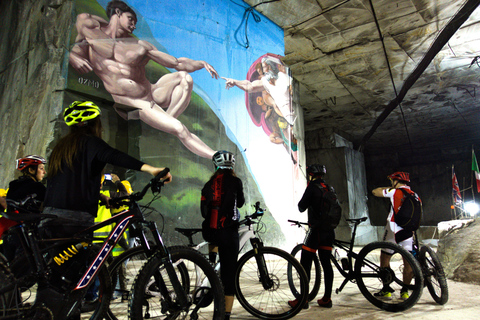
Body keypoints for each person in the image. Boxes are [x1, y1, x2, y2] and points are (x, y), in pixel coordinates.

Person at [39, 100, 172, 319]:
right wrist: (151, 169)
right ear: (94, 123)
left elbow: (69, 182)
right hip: (74, 222)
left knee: (58, 280)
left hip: (51, 219)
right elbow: (114, 155)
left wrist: (101, 196)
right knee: (74, 282)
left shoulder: (62, 147)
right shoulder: (90, 142)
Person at [69, 0, 219, 159]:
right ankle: (215, 155)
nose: (133, 26)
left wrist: (201, 64)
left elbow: (176, 62)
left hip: (151, 93)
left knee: (184, 78)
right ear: (118, 13)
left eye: (135, 23)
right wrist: (71, 56)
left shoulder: (140, 45)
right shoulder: (93, 36)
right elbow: (78, 42)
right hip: (130, 100)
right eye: (130, 19)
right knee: (180, 129)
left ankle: (166, 121)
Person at [200, 150, 245, 320]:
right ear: (232, 166)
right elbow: (240, 203)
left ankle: (212, 261)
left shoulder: (207, 185)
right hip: (228, 234)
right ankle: (224, 315)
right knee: (229, 276)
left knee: (214, 234)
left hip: (210, 232)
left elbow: (204, 213)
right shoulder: (235, 181)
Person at [289, 164, 336, 309]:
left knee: (305, 264)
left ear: (311, 175)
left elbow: (301, 207)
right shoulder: (329, 188)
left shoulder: (312, 187)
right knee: (326, 264)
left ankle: (303, 300)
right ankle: (327, 298)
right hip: (329, 230)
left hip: (315, 230)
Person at [372, 172, 421, 299]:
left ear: (396, 181)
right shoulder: (415, 195)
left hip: (394, 229)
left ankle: (386, 289)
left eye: (392, 181)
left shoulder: (394, 192)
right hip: (408, 231)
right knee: (408, 262)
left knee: (384, 258)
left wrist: (390, 189)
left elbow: (375, 192)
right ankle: (405, 291)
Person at [2, 155, 47, 262]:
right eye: (41, 168)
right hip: (29, 236)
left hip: (11, 233)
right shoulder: (38, 187)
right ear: (31, 170)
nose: (44, 172)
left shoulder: (13, 186)